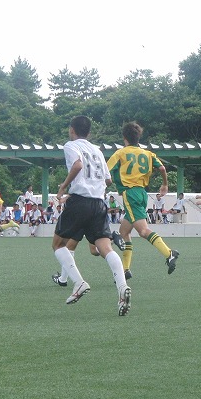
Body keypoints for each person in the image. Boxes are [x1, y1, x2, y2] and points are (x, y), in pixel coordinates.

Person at [51, 115, 131, 316]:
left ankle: (79, 283)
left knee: (58, 244)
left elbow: (78, 165)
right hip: (98, 204)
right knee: (105, 248)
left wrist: (63, 186)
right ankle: (122, 287)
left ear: (72, 129)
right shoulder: (97, 150)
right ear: (89, 132)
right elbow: (108, 180)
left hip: (80, 202)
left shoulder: (71, 145)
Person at [106, 121, 179, 279]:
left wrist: (103, 185)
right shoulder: (148, 154)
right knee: (124, 232)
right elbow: (162, 168)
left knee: (143, 231)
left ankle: (169, 253)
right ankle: (126, 269)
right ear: (138, 137)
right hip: (142, 193)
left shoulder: (120, 153)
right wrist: (165, 184)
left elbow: (106, 172)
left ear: (124, 137)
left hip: (130, 193)